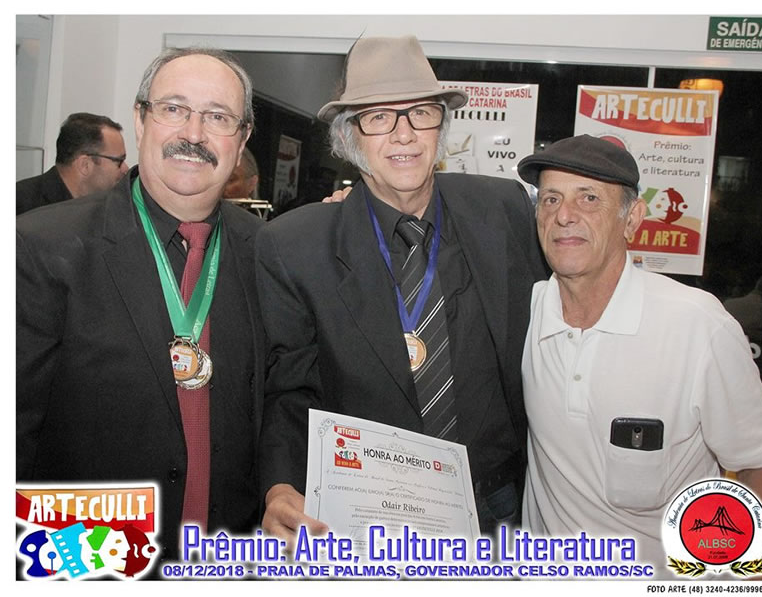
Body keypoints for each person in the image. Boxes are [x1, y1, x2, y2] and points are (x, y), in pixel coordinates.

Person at [256, 35, 547, 541]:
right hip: (368, 514)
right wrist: (280, 486)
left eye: (420, 113)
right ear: (350, 137)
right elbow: (290, 390)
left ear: (441, 125)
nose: (404, 134)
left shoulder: (505, 210)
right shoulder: (295, 245)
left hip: (500, 503)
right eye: (379, 117)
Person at [17, 47, 267, 564]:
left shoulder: (267, 252)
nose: (193, 134)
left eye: (218, 117)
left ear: (242, 140)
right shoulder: (41, 246)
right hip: (90, 562)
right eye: (174, 109)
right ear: (140, 118)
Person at [516, 134, 762, 578]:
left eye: (588, 198)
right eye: (550, 199)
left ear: (633, 219)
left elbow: (759, 466)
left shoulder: (697, 326)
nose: (564, 215)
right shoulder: (529, 309)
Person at [17, 112, 129, 215]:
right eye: (119, 161)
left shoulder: (107, 208)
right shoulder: (22, 206)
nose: (126, 169)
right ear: (85, 165)